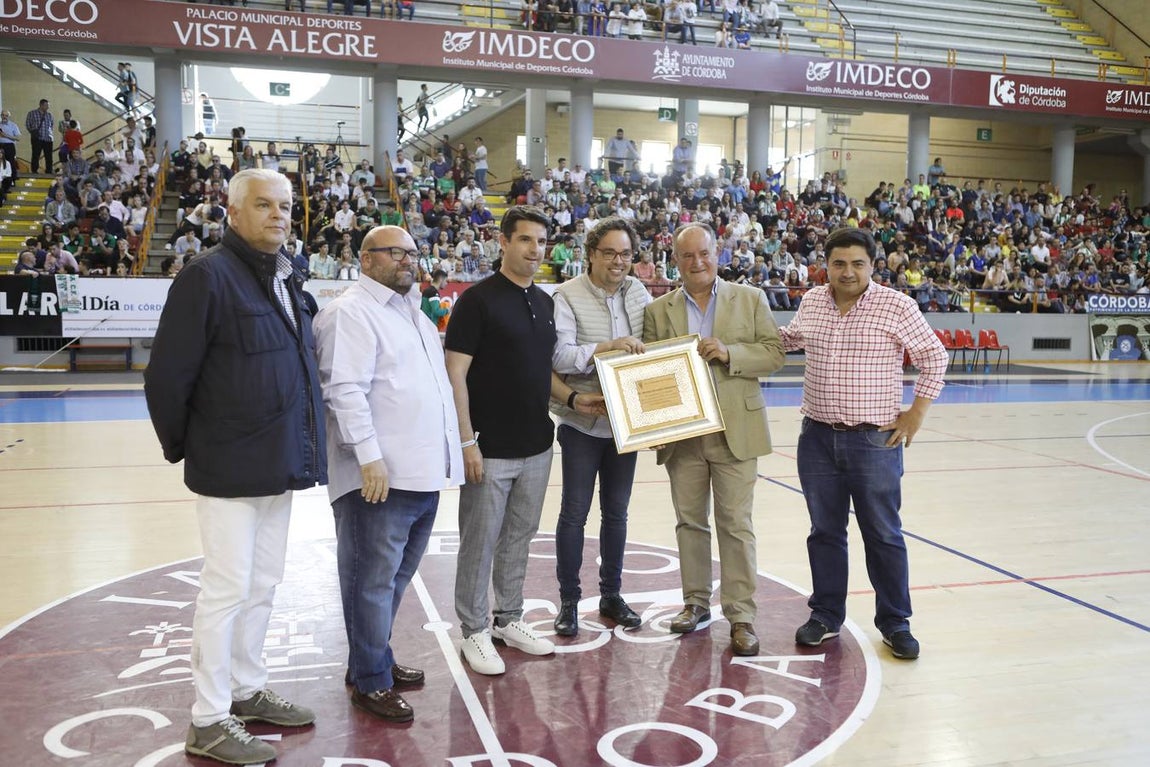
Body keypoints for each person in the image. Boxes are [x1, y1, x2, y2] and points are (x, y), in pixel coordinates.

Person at [144, 169, 327, 766]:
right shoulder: (206, 278)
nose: (278, 215)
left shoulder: (286, 277)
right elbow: (167, 377)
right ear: (233, 211)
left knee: (264, 583)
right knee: (225, 591)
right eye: (263, 205)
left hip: (280, 461)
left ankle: (247, 689)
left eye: (284, 206)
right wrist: (191, 448)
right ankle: (208, 718)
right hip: (229, 465)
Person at [313, 225, 464, 723]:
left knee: (393, 580)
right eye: (396, 252)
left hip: (421, 473)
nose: (408, 260)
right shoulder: (350, 312)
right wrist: (368, 456)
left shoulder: (414, 313)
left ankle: (371, 659)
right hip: (380, 477)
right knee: (370, 583)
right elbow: (344, 390)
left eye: (413, 253)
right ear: (366, 259)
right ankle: (370, 683)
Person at [445, 206, 604, 676]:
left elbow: (542, 372)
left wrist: (573, 400)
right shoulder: (477, 301)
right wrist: (466, 442)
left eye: (540, 242)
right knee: (480, 540)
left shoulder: (546, 302)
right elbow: (455, 375)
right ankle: (473, 629)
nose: (535, 250)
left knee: (519, 535)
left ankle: (507, 618)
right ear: (504, 242)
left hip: (537, 444)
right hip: (489, 449)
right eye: (525, 240)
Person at [777, 227, 947, 661]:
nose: (847, 272)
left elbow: (934, 357)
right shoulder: (813, 301)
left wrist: (916, 414)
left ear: (873, 265)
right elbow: (788, 340)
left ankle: (895, 622)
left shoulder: (896, 306)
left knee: (883, 534)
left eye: (857, 263)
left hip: (874, 441)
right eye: (839, 263)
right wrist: (737, 342)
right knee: (825, 532)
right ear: (826, 266)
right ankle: (826, 615)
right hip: (816, 438)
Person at [642, 222, 786, 657]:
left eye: (703, 253)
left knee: (736, 526)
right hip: (683, 436)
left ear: (717, 252)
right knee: (690, 523)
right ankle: (696, 604)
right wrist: (651, 423)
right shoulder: (657, 310)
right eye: (687, 256)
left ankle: (741, 616)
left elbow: (775, 354)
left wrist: (730, 353)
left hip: (735, 432)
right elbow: (650, 375)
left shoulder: (751, 298)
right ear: (676, 259)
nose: (697, 262)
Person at [551, 217, 652, 637]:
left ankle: (611, 595)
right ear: (591, 253)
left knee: (617, 514)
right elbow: (560, 357)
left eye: (625, 253)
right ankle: (569, 601)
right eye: (608, 252)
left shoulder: (640, 292)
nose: (617, 261)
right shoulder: (566, 295)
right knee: (574, 514)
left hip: (624, 424)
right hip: (581, 422)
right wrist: (608, 347)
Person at [25, 99, 54, 174]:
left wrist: (49, 134)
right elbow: (28, 124)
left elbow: (51, 126)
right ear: (41, 105)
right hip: (37, 138)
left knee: (49, 157)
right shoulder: (32, 113)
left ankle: (49, 171)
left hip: (48, 139)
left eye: (48, 106)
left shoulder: (49, 115)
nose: (48, 107)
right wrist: (33, 132)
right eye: (46, 105)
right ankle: (34, 171)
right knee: (35, 155)